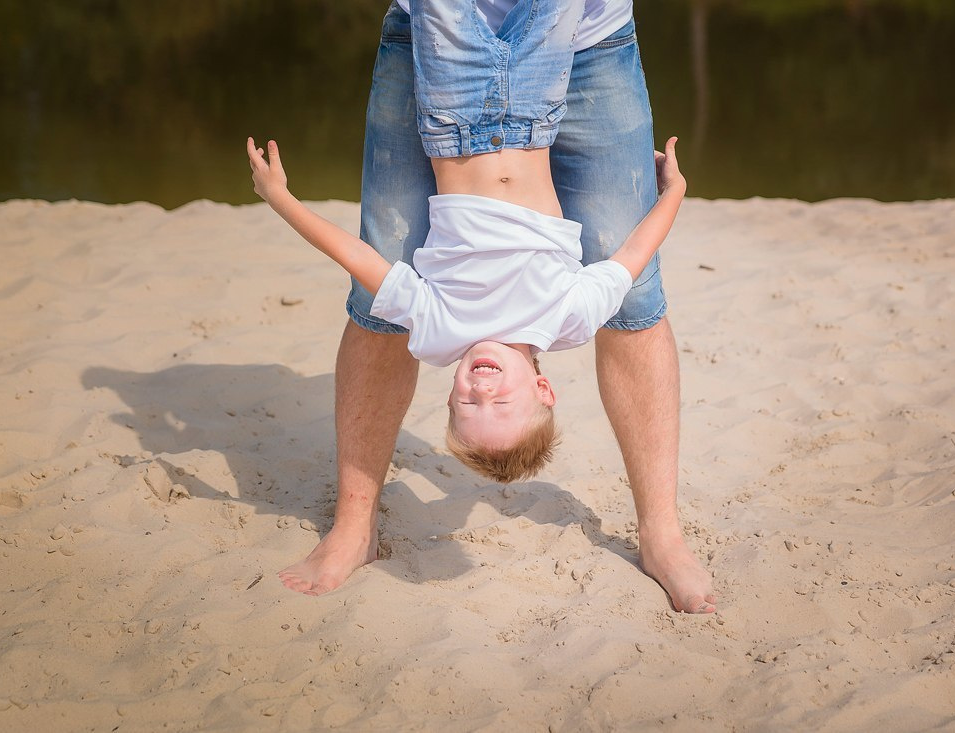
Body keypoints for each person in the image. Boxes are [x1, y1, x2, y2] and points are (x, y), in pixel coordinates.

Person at [271, 0, 717, 613]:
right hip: (539, 87)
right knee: (632, 295)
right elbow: (632, 256)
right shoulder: (567, 316)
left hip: (457, 104)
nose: (480, 389)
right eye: (499, 401)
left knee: (380, 301)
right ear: (542, 388)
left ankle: (661, 533)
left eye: (465, 403)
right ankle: (354, 525)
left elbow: (362, 261)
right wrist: (675, 196)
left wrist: (283, 201)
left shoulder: (436, 329)